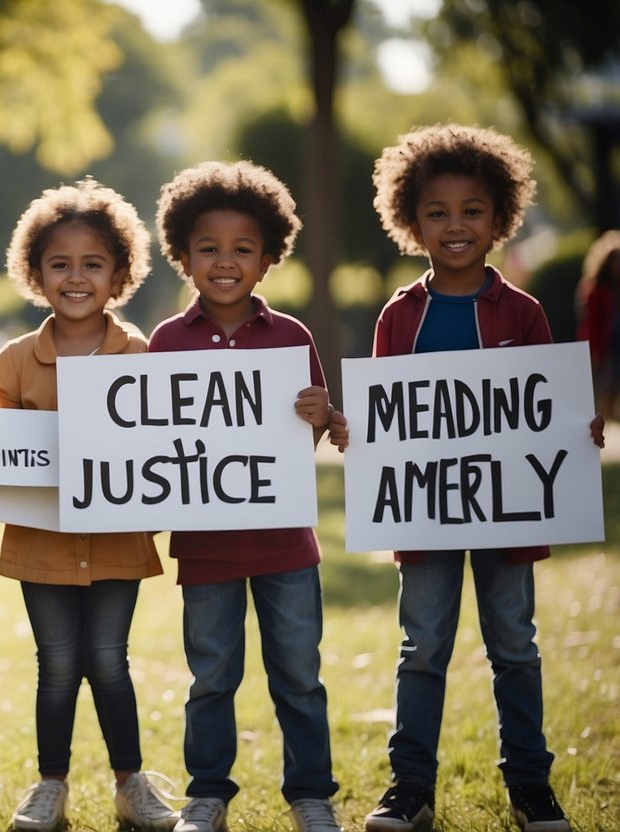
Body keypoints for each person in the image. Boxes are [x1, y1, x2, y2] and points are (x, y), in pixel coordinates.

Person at [348, 123, 607, 832]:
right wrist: (354, 433)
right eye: (437, 211)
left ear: (499, 218)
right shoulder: (398, 316)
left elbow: (540, 410)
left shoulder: (522, 313)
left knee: (514, 646)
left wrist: (575, 428)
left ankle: (530, 786)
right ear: (411, 220)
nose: (454, 225)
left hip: (509, 514)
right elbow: (385, 415)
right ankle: (409, 789)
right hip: (423, 517)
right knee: (421, 646)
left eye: (471, 211)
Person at [0, 178, 179, 832]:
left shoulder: (141, 358)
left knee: (110, 661)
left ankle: (129, 783)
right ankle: (49, 786)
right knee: (55, 665)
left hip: (117, 542)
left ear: (119, 275)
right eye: (59, 264)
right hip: (40, 547)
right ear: (35, 274)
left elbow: (161, 452)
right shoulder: (12, 362)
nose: (75, 277)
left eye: (92, 265)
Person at [147, 160, 345, 832]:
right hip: (204, 551)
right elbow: (151, 445)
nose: (224, 262)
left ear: (266, 260)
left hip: (286, 543)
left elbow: (305, 439)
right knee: (210, 677)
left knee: (298, 674)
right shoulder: (165, 344)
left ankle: (311, 793)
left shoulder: (291, 337)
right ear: (182, 256)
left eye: (241, 250)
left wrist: (319, 415)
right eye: (208, 248)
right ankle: (206, 792)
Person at [576, 229, 620, 422]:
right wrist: (591, 351)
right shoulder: (596, 291)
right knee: (608, 388)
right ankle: (606, 422)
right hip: (608, 349)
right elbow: (591, 324)